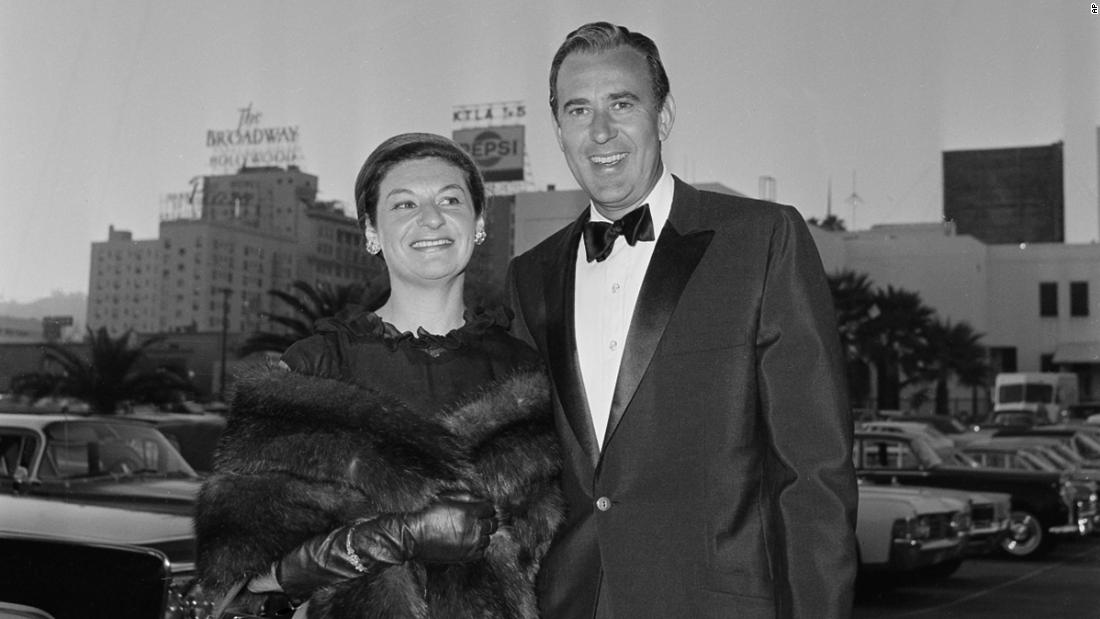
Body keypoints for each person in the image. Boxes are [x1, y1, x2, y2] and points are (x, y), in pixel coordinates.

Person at [506, 22, 858, 619]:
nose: (600, 131)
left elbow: (813, 474)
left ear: (663, 116)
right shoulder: (530, 275)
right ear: (559, 131)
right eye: (578, 110)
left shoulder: (762, 241)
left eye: (622, 103)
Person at [196, 132, 563, 619]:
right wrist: (390, 537)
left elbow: (564, 561)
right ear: (371, 231)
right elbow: (239, 588)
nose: (431, 218)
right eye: (404, 203)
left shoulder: (529, 376)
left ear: (478, 223)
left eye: (450, 199)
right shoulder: (312, 373)